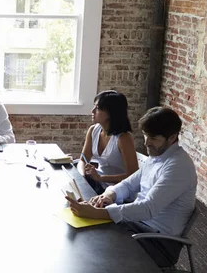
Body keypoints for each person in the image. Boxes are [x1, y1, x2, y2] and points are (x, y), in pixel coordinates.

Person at [66, 107, 197, 268]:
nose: (147, 142)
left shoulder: (178, 166)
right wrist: (109, 195)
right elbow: (129, 184)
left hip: (158, 242)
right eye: (146, 135)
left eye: (154, 138)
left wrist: (101, 213)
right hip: (140, 226)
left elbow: (148, 208)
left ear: (172, 137)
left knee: (96, 239)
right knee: (91, 231)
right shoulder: (158, 157)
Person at [77, 90, 138, 193]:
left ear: (111, 113)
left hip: (118, 190)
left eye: (97, 108)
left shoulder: (124, 138)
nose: (92, 111)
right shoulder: (93, 130)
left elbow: (133, 175)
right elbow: (83, 160)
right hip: (99, 184)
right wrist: (82, 177)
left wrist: (100, 177)